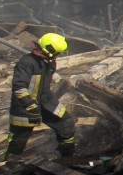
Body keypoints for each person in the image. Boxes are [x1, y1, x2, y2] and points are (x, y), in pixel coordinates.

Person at [5, 32, 76, 161]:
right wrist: (29, 105)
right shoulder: (26, 62)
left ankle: (67, 156)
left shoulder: (47, 61)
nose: (57, 56)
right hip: (25, 106)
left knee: (66, 122)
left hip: (46, 102)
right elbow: (19, 86)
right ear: (49, 49)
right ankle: (8, 165)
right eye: (56, 53)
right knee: (19, 138)